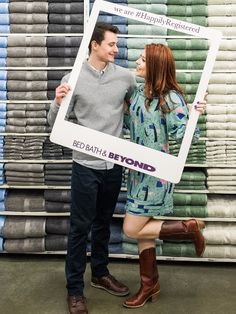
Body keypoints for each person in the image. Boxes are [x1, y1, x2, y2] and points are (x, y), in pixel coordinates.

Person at [47, 22, 136, 314]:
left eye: (116, 44)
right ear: (94, 45)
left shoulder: (125, 77)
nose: (116, 49)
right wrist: (57, 103)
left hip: (114, 165)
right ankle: (74, 290)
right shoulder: (72, 77)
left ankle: (99, 273)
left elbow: (141, 107)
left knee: (103, 223)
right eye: (111, 44)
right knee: (79, 228)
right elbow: (54, 124)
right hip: (85, 164)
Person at [122, 43, 206, 309]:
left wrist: (193, 116)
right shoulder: (138, 92)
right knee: (143, 234)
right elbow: (128, 123)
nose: (137, 62)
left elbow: (185, 135)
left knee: (130, 228)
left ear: (155, 66)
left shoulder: (169, 98)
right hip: (136, 172)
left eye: (143, 59)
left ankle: (187, 228)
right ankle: (149, 285)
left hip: (155, 176)